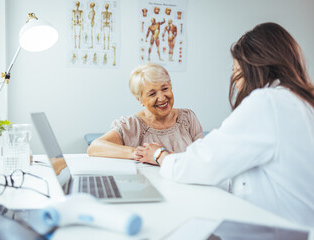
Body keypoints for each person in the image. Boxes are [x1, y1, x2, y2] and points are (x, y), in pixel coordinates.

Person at [136, 22, 314, 227]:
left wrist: (161, 155)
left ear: (253, 68)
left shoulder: (267, 102)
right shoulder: (302, 102)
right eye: (151, 93)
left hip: (281, 229)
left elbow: (203, 163)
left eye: (236, 71)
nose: (236, 82)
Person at [87, 62, 203, 159]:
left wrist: (162, 155)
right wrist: (138, 152)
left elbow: (202, 157)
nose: (162, 98)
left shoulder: (188, 118)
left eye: (165, 88)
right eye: (152, 94)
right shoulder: (131, 126)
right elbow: (94, 147)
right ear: (140, 99)